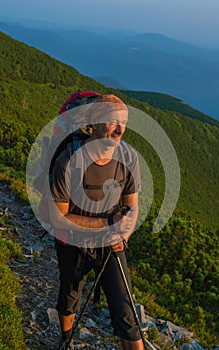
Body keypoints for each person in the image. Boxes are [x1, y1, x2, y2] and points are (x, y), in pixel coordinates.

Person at [48, 93, 144, 350]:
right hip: (72, 241)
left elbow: (131, 207)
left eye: (123, 123)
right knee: (69, 296)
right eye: (113, 122)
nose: (120, 129)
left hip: (111, 243)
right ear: (94, 122)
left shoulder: (129, 158)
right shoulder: (67, 160)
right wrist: (108, 226)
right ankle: (66, 340)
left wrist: (124, 234)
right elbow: (58, 217)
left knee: (126, 313)